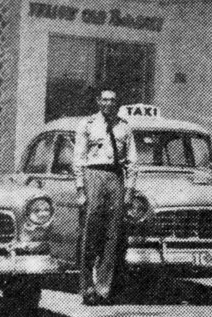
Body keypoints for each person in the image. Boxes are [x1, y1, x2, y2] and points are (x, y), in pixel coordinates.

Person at [72, 89, 137, 305]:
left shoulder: (124, 127)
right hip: (93, 176)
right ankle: (86, 287)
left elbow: (132, 162)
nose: (108, 103)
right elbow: (79, 159)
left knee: (112, 234)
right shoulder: (87, 124)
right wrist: (81, 189)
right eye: (105, 100)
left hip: (115, 177)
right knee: (90, 233)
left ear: (117, 103)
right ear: (98, 102)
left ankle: (103, 288)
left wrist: (129, 191)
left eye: (112, 100)